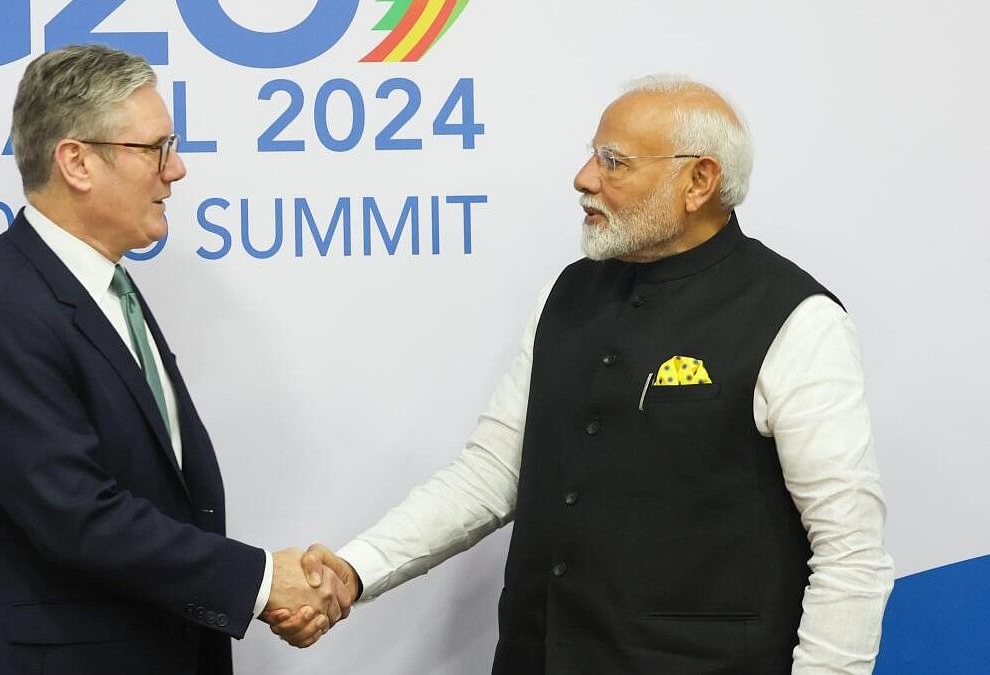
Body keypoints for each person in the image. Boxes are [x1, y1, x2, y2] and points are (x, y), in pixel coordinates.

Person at [269, 75, 895, 673]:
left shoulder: (797, 318)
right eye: (593, 157)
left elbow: (851, 554)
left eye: (614, 162)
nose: (584, 179)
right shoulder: (566, 295)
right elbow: (492, 472)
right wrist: (355, 569)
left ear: (699, 180)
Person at [0, 45, 349, 675]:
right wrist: (265, 583)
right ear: (76, 161)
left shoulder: (101, 288)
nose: (178, 169)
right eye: (155, 148)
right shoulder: (1, 309)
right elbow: (76, 514)